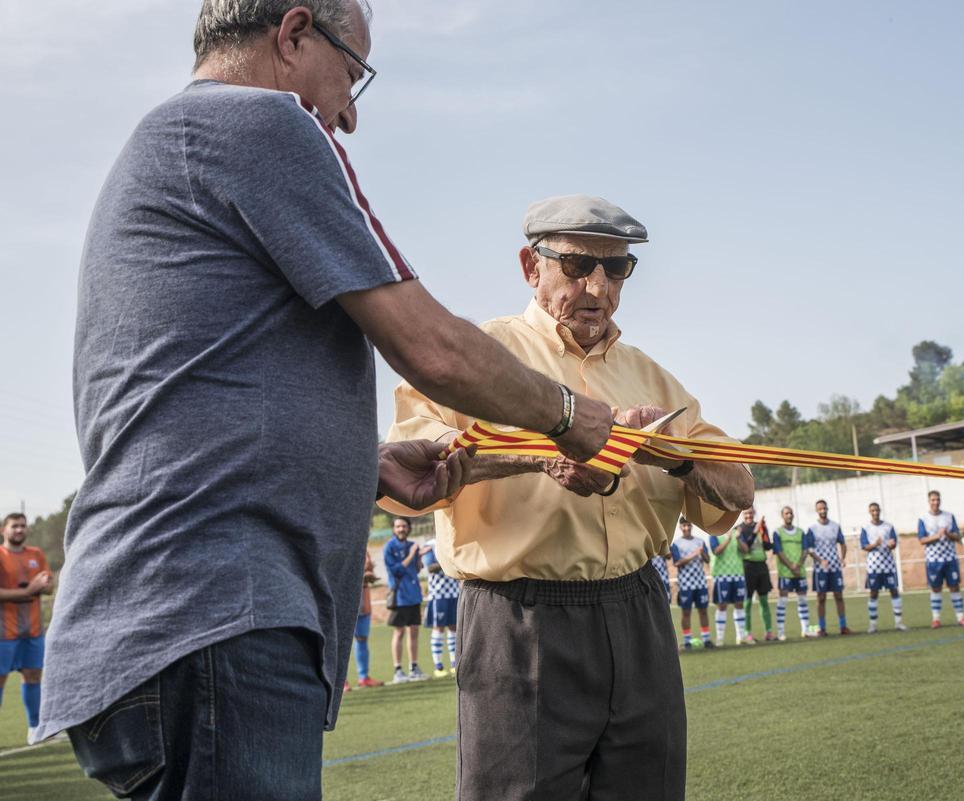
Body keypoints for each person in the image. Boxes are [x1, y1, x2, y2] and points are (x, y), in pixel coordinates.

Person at [40, 2, 614, 796]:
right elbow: (432, 348)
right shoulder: (261, 123)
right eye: (353, 72)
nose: (347, 113)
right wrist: (571, 415)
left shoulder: (175, 141)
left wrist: (363, 465)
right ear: (294, 33)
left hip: (167, 622)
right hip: (215, 615)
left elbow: (188, 400)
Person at [385, 194, 753, 801]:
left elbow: (738, 488)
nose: (599, 287)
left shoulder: (652, 378)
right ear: (532, 268)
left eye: (617, 269)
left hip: (638, 614)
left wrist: (670, 452)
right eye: (579, 266)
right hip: (519, 621)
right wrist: (543, 451)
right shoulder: (475, 357)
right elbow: (411, 464)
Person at [0, 513, 54, 745]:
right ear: (4, 530)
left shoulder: (36, 555)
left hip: (32, 631)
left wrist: (43, 586)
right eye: (14, 526)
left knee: (33, 676)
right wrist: (29, 591)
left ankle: (35, 728)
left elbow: (49, 587)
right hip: (3, 633)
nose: (19, 530)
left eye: (23, 526)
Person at [917, 490, 964, 629]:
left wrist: (947, 534)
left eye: (937, 500)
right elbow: (922, 539)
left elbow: (957, 536)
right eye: (933, 500)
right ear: (929, 501)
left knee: (954, 586)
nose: (935, 502)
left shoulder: (949, 516)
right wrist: (936, 536)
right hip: (933, 559)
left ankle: (961, 618)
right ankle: (936, 619)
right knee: (936, 588)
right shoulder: (923, 518)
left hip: (950, 558)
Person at [384, 517, 427, 682]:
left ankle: (414, 667)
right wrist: (411, 555)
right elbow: (396, 571)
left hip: (413, 595)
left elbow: (416, 570)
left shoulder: (412, 545)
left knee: (414, 630)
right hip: (400, 596)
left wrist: (419, 557)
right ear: (394, 529)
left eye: (404, 526)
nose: (401, 529)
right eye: (398, 526)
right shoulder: (389, 547)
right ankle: (398, 670)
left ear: (409, 528)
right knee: (399, 631)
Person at [804, 500, 852, 636]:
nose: (822, 510)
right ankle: (822, 628)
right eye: (820, 509)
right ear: (816, 510)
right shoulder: (812, 529)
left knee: (839, 595)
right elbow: (809, 549)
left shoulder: (835, 526)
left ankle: (843, 627)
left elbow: (842, 543)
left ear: (827, 509)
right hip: (821, 568)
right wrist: (820, 560)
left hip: (835, 566)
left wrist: (842, 558)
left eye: (824, 508)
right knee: (821, 597)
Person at [859, 502, 906, 634]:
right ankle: (873, 625)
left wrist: (892, 544)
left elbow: (893, 543)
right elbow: (864, 546)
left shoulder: (888, 526)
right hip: (873, 566)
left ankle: (898, 622)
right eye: (872, 510)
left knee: (894, 591)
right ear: (869, 512)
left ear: (880, 511)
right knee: (874, 593)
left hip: (888, 564)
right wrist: (875, 544)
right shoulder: (866, 528)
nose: (875, 512)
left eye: (877, 510)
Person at [671, 518, 713, 650]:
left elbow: (707, 560)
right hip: (685, 584)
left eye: (688, 525)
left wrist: (702, 553)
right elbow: (677, 563)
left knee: (703, 611)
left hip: (700, 582)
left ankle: (706, 639)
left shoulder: (700, 542)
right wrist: (693, 554)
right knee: (686, 612)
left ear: (692, 526)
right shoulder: (676, 544)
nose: (687, 528)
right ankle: (687, 641)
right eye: (684, 526)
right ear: (680, 527)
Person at [421, 540, 460, 677]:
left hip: (454, 592)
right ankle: (438, 666)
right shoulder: (430, 545)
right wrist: (449, 562)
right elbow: (430, 567)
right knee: (438, 627)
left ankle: (455, 663)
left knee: (454, 627)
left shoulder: (452, 539)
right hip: (438, 594)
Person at [737, 508, 776, 642]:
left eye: (750, 513)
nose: (748, 515)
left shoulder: (761, 527)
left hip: (762, 566)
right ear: (742, 515)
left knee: (764, 600)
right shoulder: (739, 529)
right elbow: (746, 545)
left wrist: (774, 540)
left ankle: (769, 632)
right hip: (748, 566)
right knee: (747, 602)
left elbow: (767, 546)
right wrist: (756, 530)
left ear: (754, 513)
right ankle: (748, 633)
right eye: (746, 513)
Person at [772, 505, 810, 640]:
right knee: (782, 601)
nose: (789, 515)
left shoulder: (801, 532)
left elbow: (805, 550)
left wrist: (798, 565)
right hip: (785, 572)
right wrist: (791, 566)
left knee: (803, 600)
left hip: (800, 572)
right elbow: (778, 551)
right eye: (787, 513)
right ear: (782, 516)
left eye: (791, 513)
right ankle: (781, 632)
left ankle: (806, 630)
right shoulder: (777, 532)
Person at [710, 529, 751, 646]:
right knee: (722, 606)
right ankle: (720, 639)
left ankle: (741, 636)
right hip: (721, 576)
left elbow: (746, 550)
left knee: (739, 604)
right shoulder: (714, 534)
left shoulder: (737, 533)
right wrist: (728, 538)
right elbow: (716, 551)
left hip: (738, 574)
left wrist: (737, 538)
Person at [351, 550, 383, 688]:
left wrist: (368, 575)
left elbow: (367, 571)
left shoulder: (364, 550)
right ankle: (342, 681)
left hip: (364, 603)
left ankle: (364, 677)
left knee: (362, 640)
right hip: (346, 603)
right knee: (341, 643)